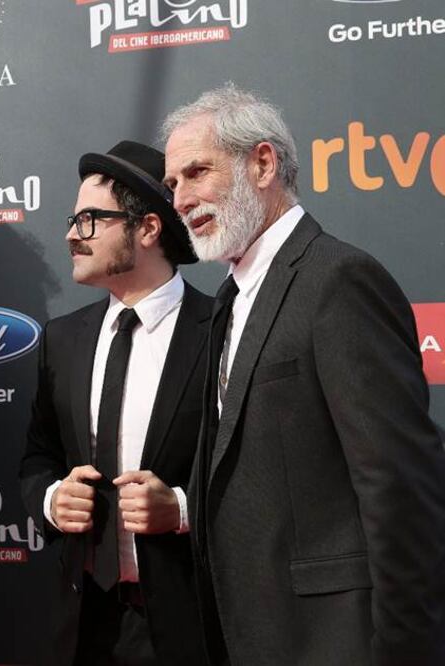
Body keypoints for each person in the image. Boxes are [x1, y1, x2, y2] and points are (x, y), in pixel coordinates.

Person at [161, 84, 445, 665]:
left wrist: (405, 651)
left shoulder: (337, 280)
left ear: (262, 163)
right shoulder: (227, 300)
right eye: (172, 185)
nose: (181, 199)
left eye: (196, 172)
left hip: (337, 642)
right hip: (249, 639)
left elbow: (397, 487)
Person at [20, 141, 209, 665]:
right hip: (82, 626)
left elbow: (257, 473)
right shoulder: (62, 339)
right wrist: (51, 500)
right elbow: (37, 456)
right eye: (72, 219)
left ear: (147, 229)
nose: (70, 236)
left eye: (88, 220)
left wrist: (182, 510)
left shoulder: (220, 332)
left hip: (188, 624)